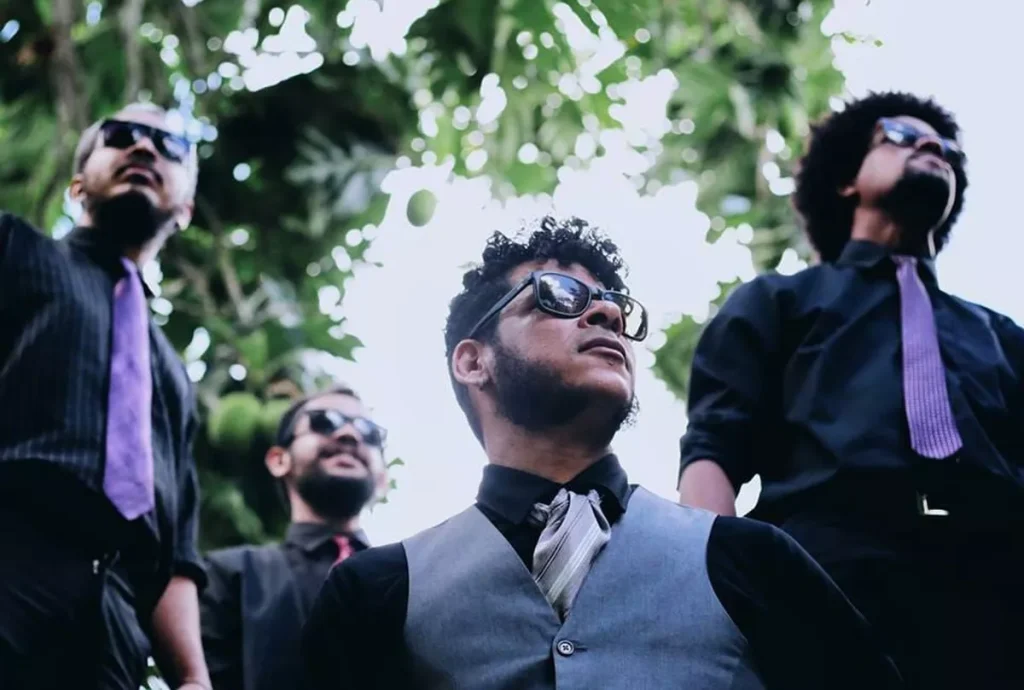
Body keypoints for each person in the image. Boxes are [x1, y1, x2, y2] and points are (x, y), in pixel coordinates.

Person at [301, 217, 902, 689]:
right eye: (558, 294)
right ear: (473, 361)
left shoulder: (752, 558)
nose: (608, 312)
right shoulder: (375, 590)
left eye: (615, 304)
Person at [678, 91, 1024, 689]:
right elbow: (713, 450)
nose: (932, 146)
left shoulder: (1004, 337)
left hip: (999, 593)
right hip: (822, 585)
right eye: (900, 135)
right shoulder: (778, 303)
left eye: (945, 147)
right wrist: (707, 606)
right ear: (846, 183)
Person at [0, 103, 210, 689]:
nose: (144, 148)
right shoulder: (13, 250)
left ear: (185, 210)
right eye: (121, 136)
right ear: (77, 185)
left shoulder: (172, 375)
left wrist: (192, 677)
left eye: (170, 146)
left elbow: (177, 546)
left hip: (116, 623)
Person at [200, 385, 388, 690]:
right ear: (279, 460)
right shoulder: (226, 576)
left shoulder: (416, 582)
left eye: (370, 432)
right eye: (324, 421)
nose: (350, 435)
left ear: (383, 479)